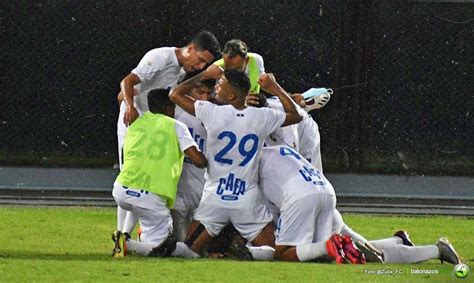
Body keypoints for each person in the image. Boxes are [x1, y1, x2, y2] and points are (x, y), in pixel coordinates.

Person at [167, 69, 302, 260]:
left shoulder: (211, 112)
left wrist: (204, 74)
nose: (215, 88)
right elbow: (296, 116)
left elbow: (175, 94)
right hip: (246, 199)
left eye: (219, 85)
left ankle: (141, 246)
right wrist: (275, 88)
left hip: (215, 197)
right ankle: (246, 252)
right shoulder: (261, 116)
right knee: (275, 253)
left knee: (188, 251)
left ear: (231, 95)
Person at [114, 31, 221, 240]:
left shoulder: (181, 70)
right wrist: (128, 106)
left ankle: (125, 236)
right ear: (190, 49)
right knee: (132, 175)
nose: (199, 67)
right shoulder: (160, 58)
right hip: (135, 121)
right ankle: (121, 233)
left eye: (204, 65)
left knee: (144, 180)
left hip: (153, 121)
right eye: (200, 61)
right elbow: (127, 81)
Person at [111, 89, 207, 257]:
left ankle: (127, 237)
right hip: (149, 195)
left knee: (147, 231)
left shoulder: (136, 122)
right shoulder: (176, 126)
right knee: (162, 247)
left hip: (121, 190)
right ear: (168, 107)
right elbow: (198, 161)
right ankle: (127, 243)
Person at [258, 145, 365, 264]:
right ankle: (369, 253)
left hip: (300, 194)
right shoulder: (278, 149)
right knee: (316, 255)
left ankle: (329, 245)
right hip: (325, 188)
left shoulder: (253, 160)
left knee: (282, 253)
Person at [331, 210, 462, 264]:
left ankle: (437, 250)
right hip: (326, 208)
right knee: (357, 249)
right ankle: (399, 240)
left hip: (318, 210)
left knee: (370, 256)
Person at [172, 79, 215, 241]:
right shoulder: (175, 113)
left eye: (207, 94)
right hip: (177, 184)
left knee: (193, 245)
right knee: (177, 240)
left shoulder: (212, 114)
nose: (204, 98)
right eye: (200, 92)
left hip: (201, 185)